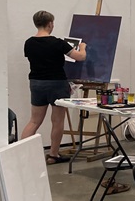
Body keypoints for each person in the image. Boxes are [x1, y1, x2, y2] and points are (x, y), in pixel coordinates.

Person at [21, 10, 87, 164]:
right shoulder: (57, 43)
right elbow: (80, 57)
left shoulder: (29, 43)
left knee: (34, 121)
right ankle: (53, 155)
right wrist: (82, 47)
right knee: (57, 121)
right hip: (57, 83)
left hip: (36, 83)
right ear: (50, 24)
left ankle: (20, 155)